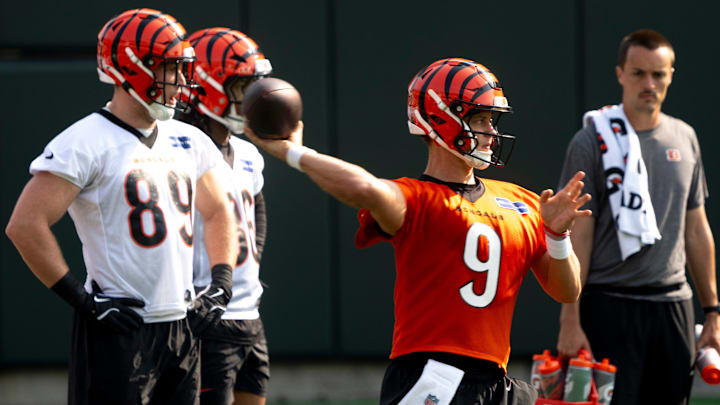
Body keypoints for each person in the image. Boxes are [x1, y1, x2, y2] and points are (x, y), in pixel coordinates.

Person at [245, 57, 591, 404]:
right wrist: (294, 152)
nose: (492, 132)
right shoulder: (417, 199)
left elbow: (566, 290)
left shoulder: (523, 201)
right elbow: (365, 188)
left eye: (491, 120)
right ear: (444, 118)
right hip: (432, 376)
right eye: (481, 119)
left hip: (495, 381)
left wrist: (558, 238)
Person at [5, 9, 238, 405]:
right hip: (119, 331)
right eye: (171, 68)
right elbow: (25, 225)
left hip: (182, 325)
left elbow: (218, 211)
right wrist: (82, 299)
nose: (182, 82)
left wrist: (221, 284)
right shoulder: (84, 141)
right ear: (136, 68)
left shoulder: (187, 138)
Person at [556, 29, 719, 405]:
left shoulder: (685, 137)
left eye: (658, 74)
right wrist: (570, 319)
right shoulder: (591, 140)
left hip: (673, 306)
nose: (649, 83)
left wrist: (712, 311)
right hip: (609, 307)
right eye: (639, 73)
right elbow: (577, 233)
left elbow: (696, 229)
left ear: (671, 75)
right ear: (620, 74)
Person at [177, 27, 272, 405]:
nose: (251, 97)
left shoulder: (247, 152)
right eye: (241, 86)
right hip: (207, 312)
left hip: (250, 309)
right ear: (208, 85)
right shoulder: (179, 148)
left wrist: (253, 255)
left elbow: (256, 207)